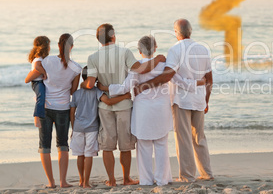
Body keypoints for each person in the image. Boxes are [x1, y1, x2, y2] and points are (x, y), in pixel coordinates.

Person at [103, 35, 205, 186]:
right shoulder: (164, 65)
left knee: (144, 146)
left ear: (139, 51)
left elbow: (125, 87)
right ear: (155, 48)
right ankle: (163, 179)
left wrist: (105, 88)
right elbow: (179, 81)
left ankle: (146, 180)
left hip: (143, 110)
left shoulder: (136, 67)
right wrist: (199, 83)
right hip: (161, 109)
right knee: (161, 145)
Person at [81, 24, 166, 186]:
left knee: (107, 144)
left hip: (105, 106)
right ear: (113, 36)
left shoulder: (92, 57)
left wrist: (83, 86)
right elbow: (140, 69)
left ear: (98, 40)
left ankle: (112, 180)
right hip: (125, 104)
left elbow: (90, 83)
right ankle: (126, 178)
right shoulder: (124, 52)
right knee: (125, 144)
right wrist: (158, 59)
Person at [134, 19, 214, 182]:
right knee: (199, 137)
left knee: (183, 138)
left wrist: (145, 85)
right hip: (199, 99)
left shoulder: (175, 50)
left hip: (181, 100)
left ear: (177, 33)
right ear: (190, 31)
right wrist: (206, 100)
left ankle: (187, 175)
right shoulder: (203, 49)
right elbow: (209, 78)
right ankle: (206, 173)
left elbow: (168, 75)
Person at [28, 33, 81, 188]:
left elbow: (34, 73)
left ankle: (51, 183)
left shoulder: (47, 60)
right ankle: (63, 182)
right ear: (71, 47)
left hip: (45, 107)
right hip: (63, 108)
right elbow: (72, 91)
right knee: (62, 145)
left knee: (44, 145)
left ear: (58, 45)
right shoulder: (76, 67)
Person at [70, 66, 132, 188]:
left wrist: (73, 127)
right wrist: (124, 97)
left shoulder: (76, 94)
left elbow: (72, 112)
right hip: (92, 128)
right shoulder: (96, 92)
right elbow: (108, 102)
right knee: (88, 155)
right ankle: (87, 183)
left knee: (80, 155)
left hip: (78, 128)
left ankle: (81, 180)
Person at [24, 36, 51, 128]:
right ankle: (37, 117)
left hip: (39, 82)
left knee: (45, 98)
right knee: (41, 98)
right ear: (45, 47)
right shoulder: (38, 59)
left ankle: (49, 116)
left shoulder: (40, 58)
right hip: (37, 82)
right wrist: (44, 73)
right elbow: (37, 67)